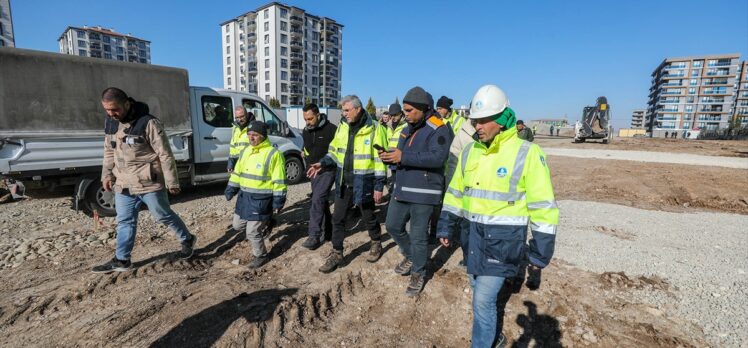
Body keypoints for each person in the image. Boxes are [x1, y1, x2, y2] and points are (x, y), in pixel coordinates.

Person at [437, 85, 558, 348]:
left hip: (503, 243)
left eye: (483, 120)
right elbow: (456, 192)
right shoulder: (470, 151)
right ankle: (496, 337)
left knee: (482, 299)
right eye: (475, 121)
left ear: (502, 120)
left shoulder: (527, 153)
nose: (477, 126)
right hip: (472, 238)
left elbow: (543, 206)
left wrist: (540, 252)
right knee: (479, 294)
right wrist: (446, 225)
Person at [93, 87, 197, 273]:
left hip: (149, 181)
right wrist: (107, 174)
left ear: (127, 103)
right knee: (124, 221)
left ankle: (187, 239)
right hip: (123, 182)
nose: (111, 114)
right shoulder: (111, 123)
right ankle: (122, 259)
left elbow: (165, 154)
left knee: (162, 215)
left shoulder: (148, 123)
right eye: (107, 110)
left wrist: (172, 182)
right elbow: (109, 151)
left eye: (114, 109)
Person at [380, 87, 453, 297]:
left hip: (424, 192)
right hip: (402, 188)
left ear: (424, 109)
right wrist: (390, 157)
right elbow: (402, 153)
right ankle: (413, 256)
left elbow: (437, 158)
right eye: (405, 110)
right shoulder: (406, 127)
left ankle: (418, 272)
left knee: (419, 236)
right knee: (393, 226)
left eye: (410, 110)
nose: (407, 114)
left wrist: (402, 157)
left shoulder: (438, 128)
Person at [307, 95, 388, 273]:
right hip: (344, 181)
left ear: (358, 109)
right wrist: (323, 163)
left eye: (346, 110)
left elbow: (379, 160)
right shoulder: (342, 127)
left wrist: (378, 186)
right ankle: (337, 253)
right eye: (343, 110)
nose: (343, 114)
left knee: (367, 216)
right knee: (338, 219)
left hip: (364, 182)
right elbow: (335, 151)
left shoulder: (375, 128)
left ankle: (376, 242)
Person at [225, 121, 287, 268]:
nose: (251, 138)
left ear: (263, 136)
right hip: (244, 198)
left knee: (252, 232)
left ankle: (261, 255)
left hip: (261, 200)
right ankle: (268, 222)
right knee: (237, 225)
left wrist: (279, 200)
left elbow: (279, 180)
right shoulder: (246, 151)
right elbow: (238, 172)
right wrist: (231, 187)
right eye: (249, 135)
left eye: (255, 135)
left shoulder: (274, 154)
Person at [300, 103, 337, 250]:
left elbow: (336, 152)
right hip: (313, 171)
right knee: (321, 200)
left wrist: (324, 163)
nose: (307, 122)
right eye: (305, 119)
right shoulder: (306, 131)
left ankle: (314, 235)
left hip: (328, 170)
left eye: (310, 119)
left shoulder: (332, 130)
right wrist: (305, 156)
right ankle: (329, 231)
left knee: (317, 200)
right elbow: (308, 149)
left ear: (318, 115)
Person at [386, 102, 407, 193]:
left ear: (401, 113)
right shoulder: (389, 126)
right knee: (394, 182)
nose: (393, 117)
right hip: (392, 160)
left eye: (395, 115)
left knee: (402, 183)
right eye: (391, 115)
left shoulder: (406, 125)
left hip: (402, 159)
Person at [228, 106, 255, 172]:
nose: (239, 120)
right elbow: (233, 146)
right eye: (237, 117)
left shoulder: (254, 126)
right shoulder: (235, 127)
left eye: (242, 116)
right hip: (238, 164)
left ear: (246, 115)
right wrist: (231, 163)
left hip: (251, 163)